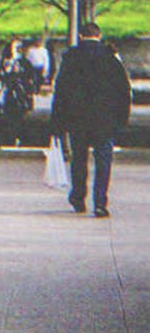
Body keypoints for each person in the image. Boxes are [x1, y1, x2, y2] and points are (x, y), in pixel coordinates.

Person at [51, 23, 131, 218]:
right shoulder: (110, 59)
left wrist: (58, 122)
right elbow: (123, 91)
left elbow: (60, 91)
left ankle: (78, 198)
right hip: (104, 120)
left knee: (79, 159)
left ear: (80, 36)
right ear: (99, 35)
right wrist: (121, 119)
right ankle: (100, 202)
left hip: (78, 119)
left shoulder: (71, 58)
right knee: (103, 161)